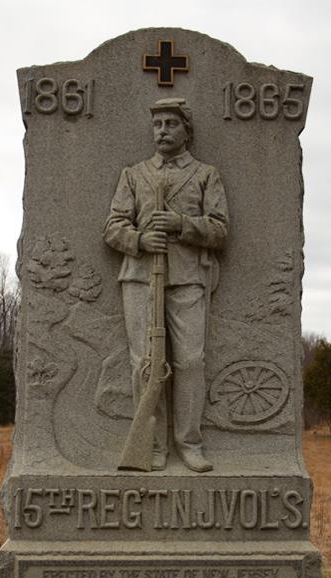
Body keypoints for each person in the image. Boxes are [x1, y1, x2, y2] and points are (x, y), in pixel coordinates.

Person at [103, 98, 228, 472]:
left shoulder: (206, 175)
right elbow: (112, 227)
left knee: (190, 361)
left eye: (171, 123)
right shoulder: (134, 175)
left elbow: (220, 230)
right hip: (140, 278)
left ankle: (189, 443)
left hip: (188, 278)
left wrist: (181, 225)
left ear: (186, 130)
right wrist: (139, 241)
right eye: (157, 124)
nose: (162, 131)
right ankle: (152, 446)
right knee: (145, 362)